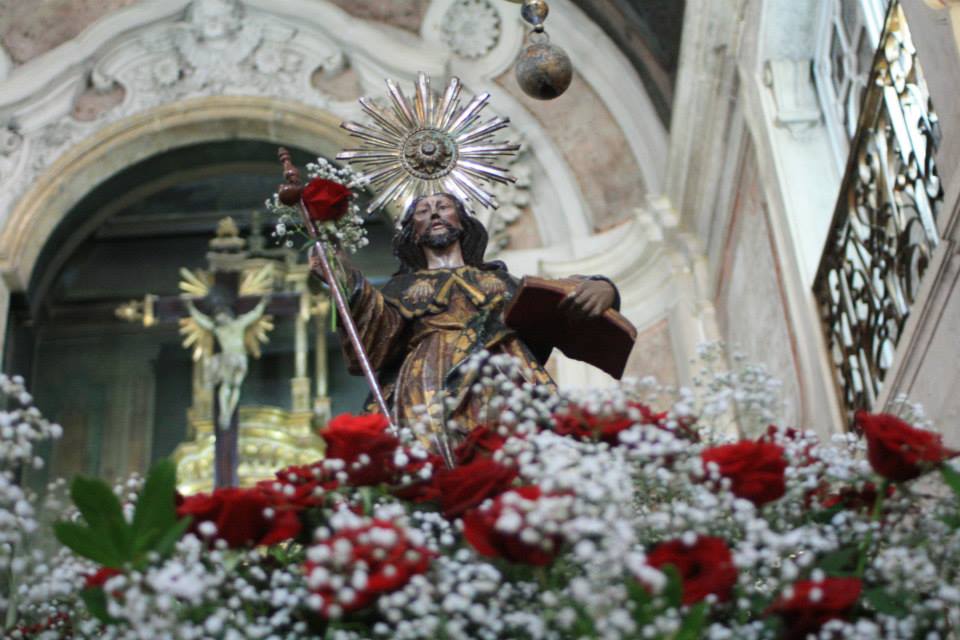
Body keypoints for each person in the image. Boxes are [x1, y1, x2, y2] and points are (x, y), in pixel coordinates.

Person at [310, 193, 619, 449]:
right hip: (428, 380)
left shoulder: (498, 280)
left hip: (502, 374)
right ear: (412, 230)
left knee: (517, 452)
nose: (434, 215)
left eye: (443, 207)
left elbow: (553, 303)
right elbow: (376, 331)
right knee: (436, 457)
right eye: (423, 211)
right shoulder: (400, 289)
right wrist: (344, 277)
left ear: (462, 219)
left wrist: (602, 286)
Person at [184, 296, 270, 429]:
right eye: (217, 317)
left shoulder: (239, 324)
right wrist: (191, 309)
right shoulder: (218, 330)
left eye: (220, 316)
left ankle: (228, 412)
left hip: (240, 358)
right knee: (227, 385)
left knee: (236, 385)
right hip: (228, 359)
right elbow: (203, 322)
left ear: (226, 315)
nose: (218, 319)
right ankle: (225, 414)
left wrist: (263, 303)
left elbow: (255, 314)